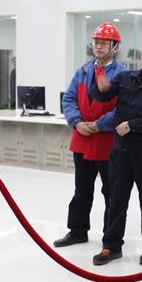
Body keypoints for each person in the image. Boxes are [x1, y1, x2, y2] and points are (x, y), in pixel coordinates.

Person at [91, 41, 142, 266]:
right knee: (116, 199)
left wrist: (132, 125)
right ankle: (111, 246)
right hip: (120, 151)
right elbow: (103, 97)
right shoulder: (125, 78)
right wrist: (100, 86)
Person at [54, 23, 126, 248]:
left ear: (115, 47)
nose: (98, 46)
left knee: (111, 193)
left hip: (108, 142)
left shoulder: (123, 75)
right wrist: (76, 122)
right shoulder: (82, 71)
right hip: (82, 139)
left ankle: (110, 239)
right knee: (82, 190)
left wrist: (99, 124)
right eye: (96, 42)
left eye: (104, 43)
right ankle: (77, 231)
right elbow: (69, 99)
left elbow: (123, 108)